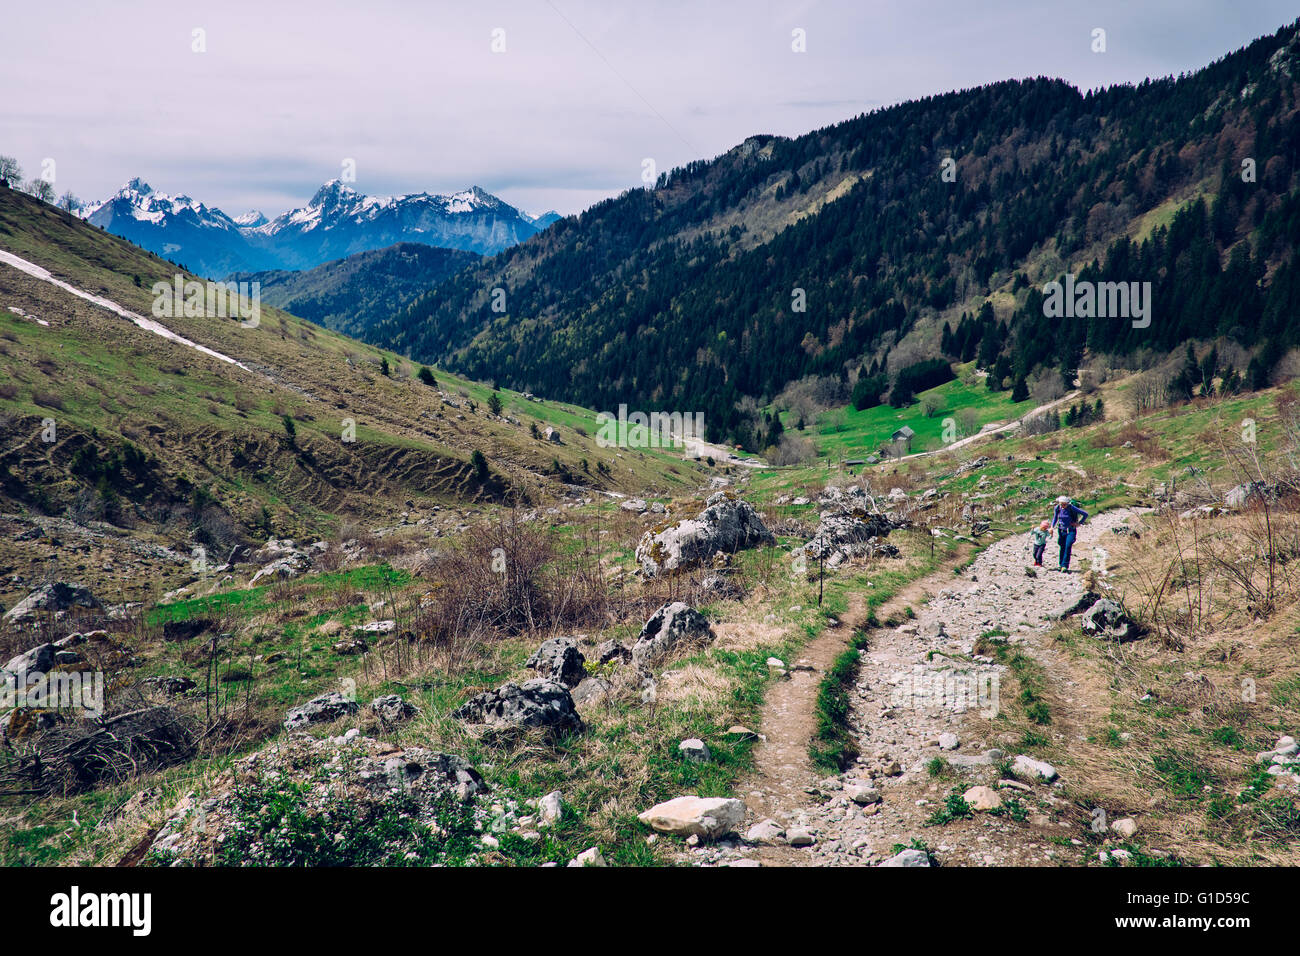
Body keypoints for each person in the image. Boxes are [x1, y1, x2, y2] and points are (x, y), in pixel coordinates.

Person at [1051, 495, 1088, 571]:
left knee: (1068, 546)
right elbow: (1055, 517)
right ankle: (1060, 565)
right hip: (1061, 530)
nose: (1063, 505)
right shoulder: (1057, 508)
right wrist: (1052, 527)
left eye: (1065, 504)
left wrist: (1079, 523)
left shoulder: (1071, 508)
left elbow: (1085, 514)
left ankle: (1065, 565)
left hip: (1071, 530)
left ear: (1067, 503)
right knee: (1062, 546)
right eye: (1061, 504)